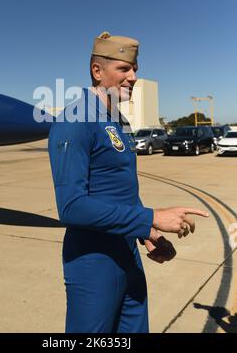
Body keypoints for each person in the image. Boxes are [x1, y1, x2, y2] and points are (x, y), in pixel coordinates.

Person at [48, 31, 209, 333]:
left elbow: (121, 188)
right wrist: (152, 217)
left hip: (128, 255)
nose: (133, 76)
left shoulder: (118, 120)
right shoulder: (76, 120)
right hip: (94, 262)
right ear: (97, 71)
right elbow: (71, 207)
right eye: (124, 69)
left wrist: (146, 233)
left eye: (135, 69)